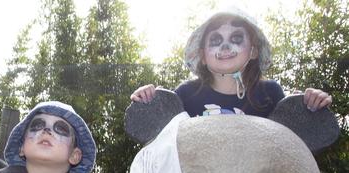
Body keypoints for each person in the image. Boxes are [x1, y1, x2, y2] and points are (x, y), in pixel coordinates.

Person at [130, 7, 332, 117]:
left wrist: (311, 104)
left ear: (253, 51)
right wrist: (148, 99)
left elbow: (293, 145)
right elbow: (161, 140)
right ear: (202, 55)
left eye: (236, 38)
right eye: (216, 40)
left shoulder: (270, 94)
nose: (225, 47)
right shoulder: (185, 94)